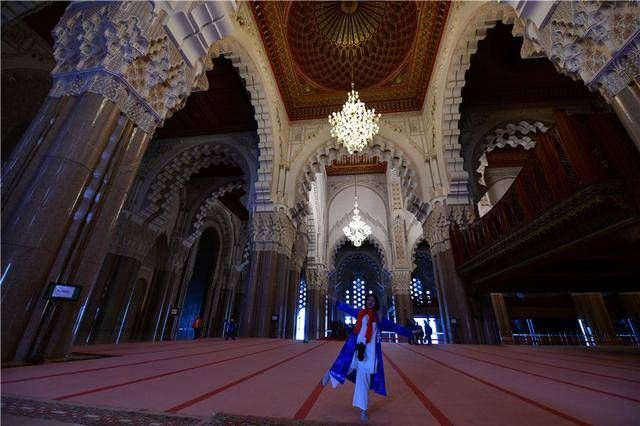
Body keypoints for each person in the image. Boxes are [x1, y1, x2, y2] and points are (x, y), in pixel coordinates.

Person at [320, 294, 411, 423]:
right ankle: (331, 373)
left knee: (364, 381)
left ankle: (363, 410)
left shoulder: (379, 319)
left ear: (376, 303)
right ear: (365, 301)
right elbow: (346, 308)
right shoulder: (360, 313)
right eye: (368, 300)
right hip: (356, 348)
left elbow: (394, 327)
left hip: (369, 354)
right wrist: (334, 300)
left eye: (373, 300)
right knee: (346, 365)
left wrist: (410, 333)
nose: (370, 302)